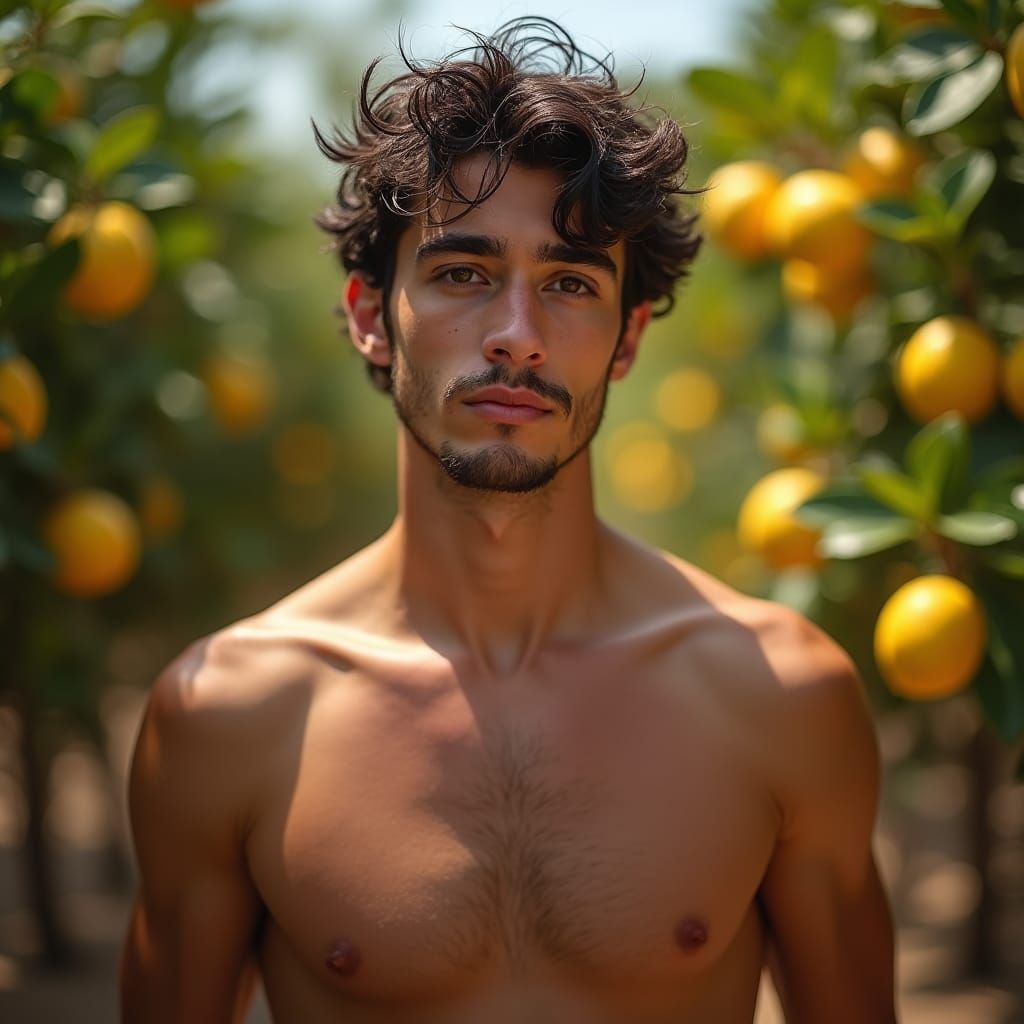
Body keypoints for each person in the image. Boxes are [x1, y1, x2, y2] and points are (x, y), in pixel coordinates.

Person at [119, 17, 898, 1023]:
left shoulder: (781, 697)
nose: (518, 338)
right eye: (461, 273)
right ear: (368, 313)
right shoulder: (227, 715)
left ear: (624, 342)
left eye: (571, 284)